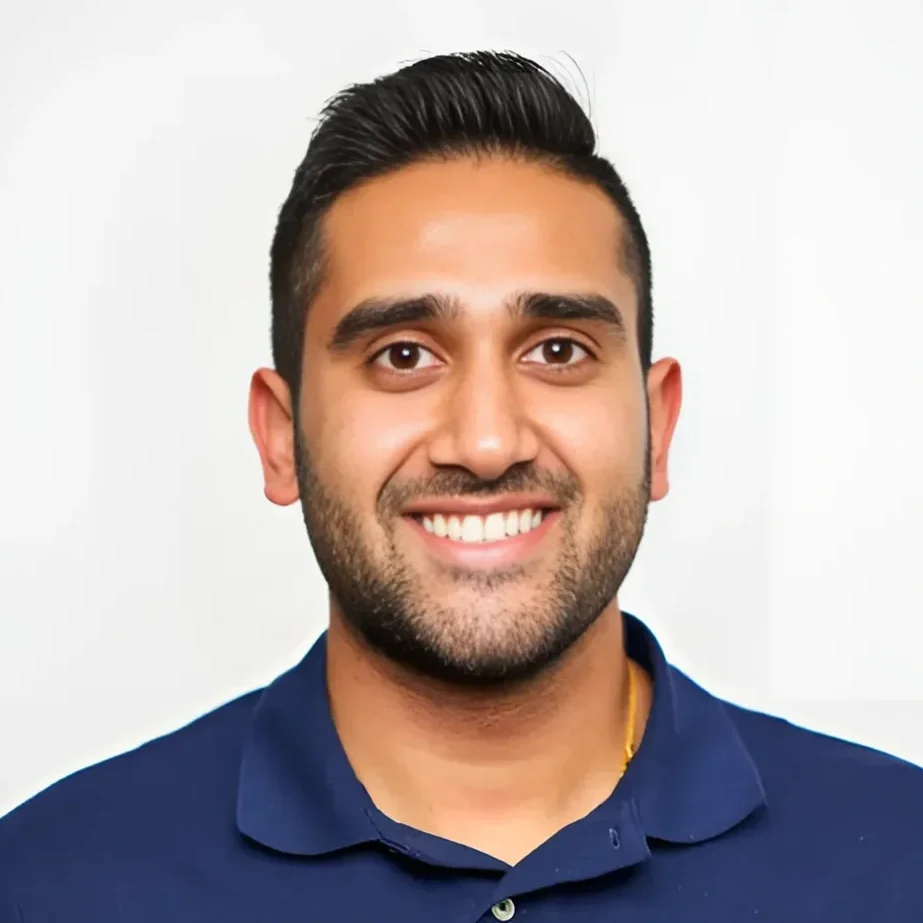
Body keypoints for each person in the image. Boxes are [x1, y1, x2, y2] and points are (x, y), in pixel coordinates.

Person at [1, 49, 921, 922]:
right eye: (403, 355)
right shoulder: (50, 882)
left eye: (557, 350)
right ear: (281, 439)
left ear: (658, 427)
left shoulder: (896, 864)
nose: (485, 442)